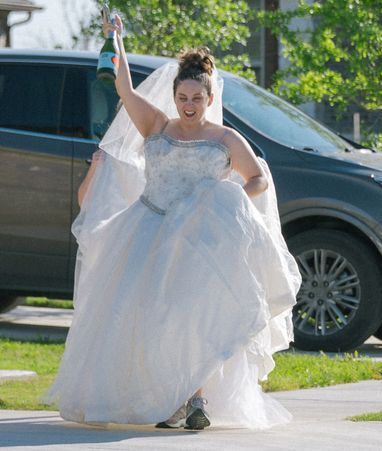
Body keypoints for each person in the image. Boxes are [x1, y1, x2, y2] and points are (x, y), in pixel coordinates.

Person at [41, 14, 302, 430]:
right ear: (175, 94)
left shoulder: (225, 139)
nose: (189, 105)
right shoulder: (157, 127)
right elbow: (124, 88)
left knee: (192, 317)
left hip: (199, 241)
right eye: (183, 96)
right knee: (146, 315)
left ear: (209, 96)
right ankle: (166, 398)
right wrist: (116, 40)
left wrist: (225, 198)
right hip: (148, 229)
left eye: (197, 98)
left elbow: (257, 178)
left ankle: (194, 400)